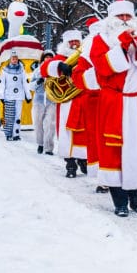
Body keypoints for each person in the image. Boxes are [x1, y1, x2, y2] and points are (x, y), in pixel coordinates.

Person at [73, 0, 137, 216]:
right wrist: (120, 48)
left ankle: (134, 194)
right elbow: (102, 68)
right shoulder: (99, 41)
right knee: (114, 149)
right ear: (111, 19)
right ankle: (119, 199)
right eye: (120, 16)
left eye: (127, 16)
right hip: (114, 101)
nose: (124, 20)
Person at [42, 29, 90, 176]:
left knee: (84, 133)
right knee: (66, 134)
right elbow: (44, 69)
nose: (74, 44)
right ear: (66, 43)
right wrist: (57, 66)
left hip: (83, 99)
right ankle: (70, 163)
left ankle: (83, 159)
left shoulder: (86, 56)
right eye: (71, 41)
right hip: (67, 103)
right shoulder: (60, 57)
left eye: (77, 41)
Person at [0, 51, 30, 141]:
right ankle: (8, 134)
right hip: (9, 96)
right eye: (13, 58)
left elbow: (24, 83)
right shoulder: (5, 70)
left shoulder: (22, 70)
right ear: (10, 59)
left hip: (19, 96)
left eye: (16, 58)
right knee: (9, 116)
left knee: (18, 116)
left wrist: (28, 95)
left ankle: (16, 133)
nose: (14, 60)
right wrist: (1, 95)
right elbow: (2, 84)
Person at [31, 51, 56, 154]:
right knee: (38, 123)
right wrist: (37, 82)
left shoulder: (56, 71)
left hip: (52, 101)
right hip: (39, 100)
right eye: (46, 57)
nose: (48, 59)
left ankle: (48, 147)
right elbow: (31, 87)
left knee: (50, 124)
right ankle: (40, 144)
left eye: (50, 57)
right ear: (43, 59)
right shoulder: (37, 71)